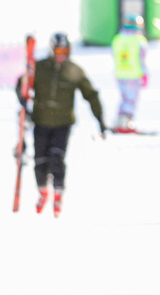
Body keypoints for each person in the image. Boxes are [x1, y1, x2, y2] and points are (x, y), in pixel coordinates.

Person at [16, 32, 106, 217]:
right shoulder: (39, 67)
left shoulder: (74, 71)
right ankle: (43, 191)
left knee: (57, 159)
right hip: (41, 122)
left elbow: (91, 95)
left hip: (63, 124)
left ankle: (58, 192)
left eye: (65, 51)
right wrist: (23, 100)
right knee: (40, 163)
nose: (62, 55)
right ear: (51, 50)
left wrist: (100, 120)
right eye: (59, 50)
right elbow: (21, 84)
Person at [111, 13, 149, 133]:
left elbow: (114, 55)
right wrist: (144, 73)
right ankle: (126, 123)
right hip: (134, 74)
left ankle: (119, 121)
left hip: (120, 73)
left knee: (124, 98)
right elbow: (141, 58)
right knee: (131, 99)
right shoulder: (139, 40)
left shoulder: (117, 39)